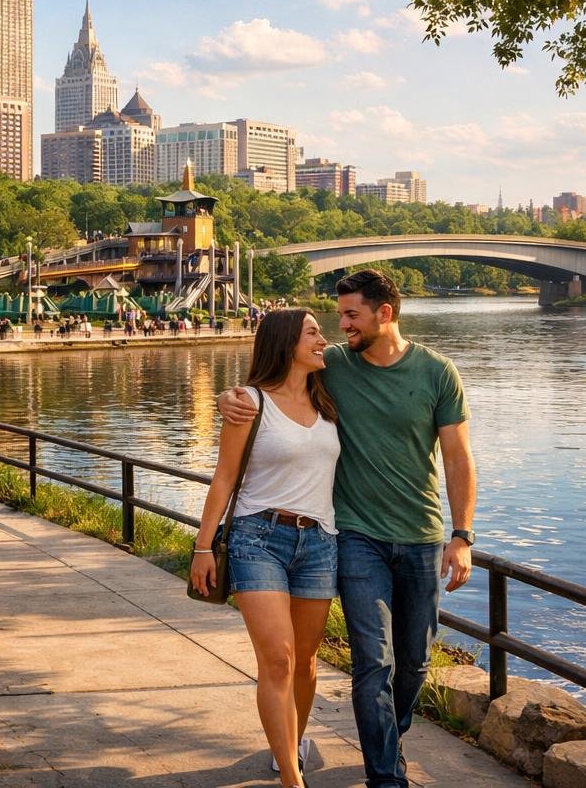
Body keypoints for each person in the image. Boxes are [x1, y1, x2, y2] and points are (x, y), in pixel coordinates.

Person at [218, 269, 475, 788]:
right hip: (354, 535)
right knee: (372, 661)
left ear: (385, 313)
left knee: (414, 664)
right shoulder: (332, 363)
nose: (342, 327)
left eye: (352, 315)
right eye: (338, 317)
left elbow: (457, 459)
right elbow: (272, 382)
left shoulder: (438, 372)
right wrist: (229, 399)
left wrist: (462, 535)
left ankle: (388, 741)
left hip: (423, 535)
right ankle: (385, 777)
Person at [192, 309, 340, 787]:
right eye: (313, 332)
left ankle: (292, 743)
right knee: (278, 658)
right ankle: (292, 779)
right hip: (259, 538)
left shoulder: (330, 393)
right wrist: (202, 547)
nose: (323, 338)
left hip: (320, 541)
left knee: (306, 659)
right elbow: (224, 478)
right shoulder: (249, 403)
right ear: (284, 343)